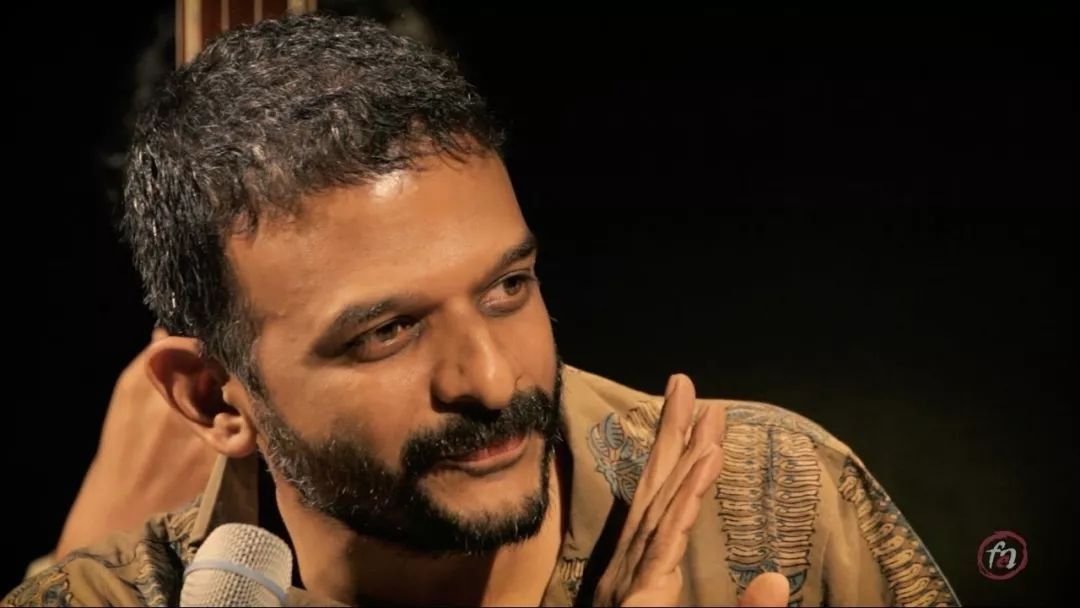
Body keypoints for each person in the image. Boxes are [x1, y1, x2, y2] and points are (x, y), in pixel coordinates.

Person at [4, 14, 958, 607]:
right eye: (387, 331)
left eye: (508, 288)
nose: (493, 381)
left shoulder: (772, 509)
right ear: (216, 397)